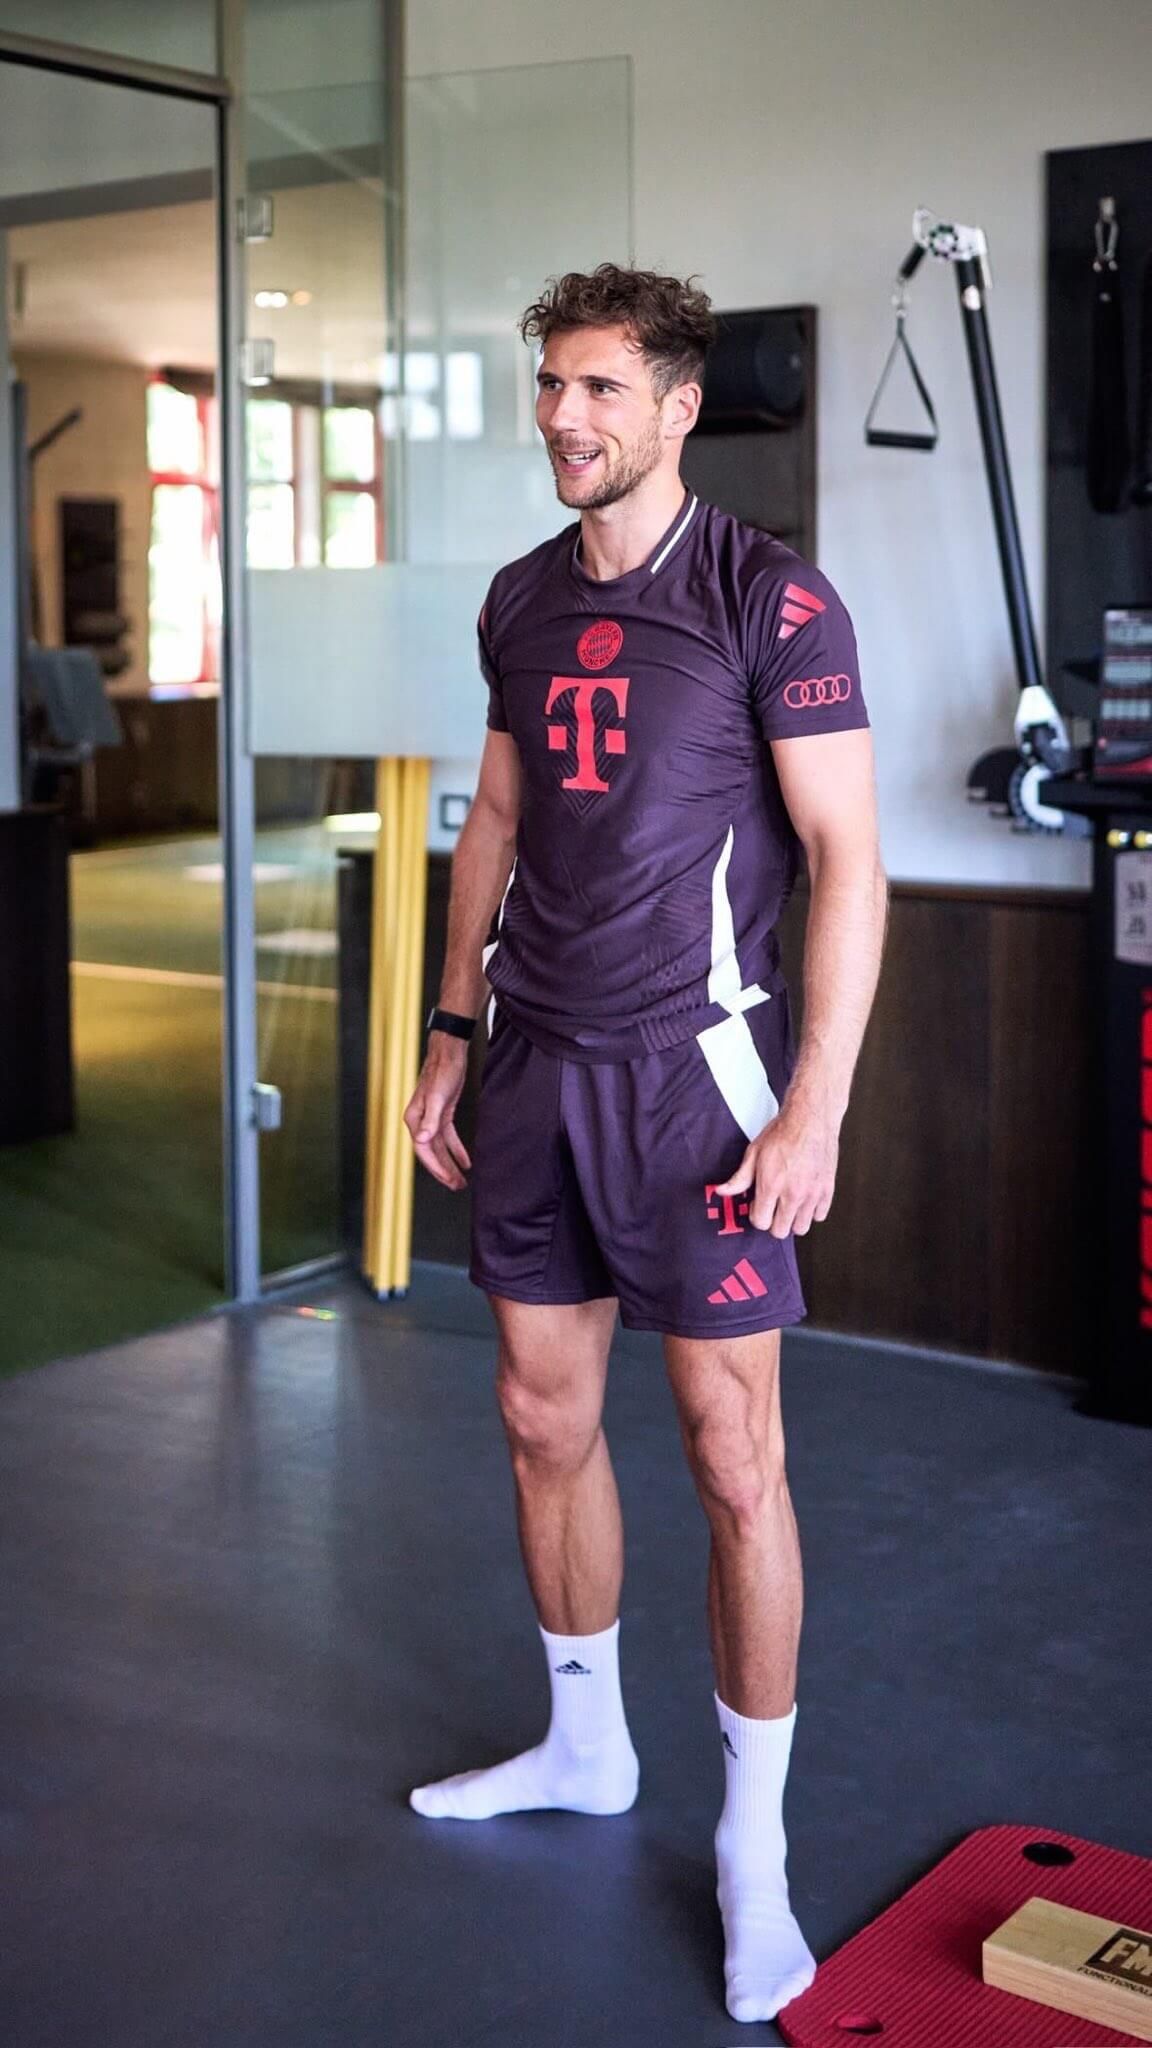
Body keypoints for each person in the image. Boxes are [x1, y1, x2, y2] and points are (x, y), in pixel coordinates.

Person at [403, 263, 887, 2026]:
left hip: (700, 1086)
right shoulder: (522, 601)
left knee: (730, 1450)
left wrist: (817, 1105)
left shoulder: (773, 600)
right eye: (549, 386)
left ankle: (753, 1847)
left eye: (597, 389)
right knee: (543, 1421)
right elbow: (500, 819)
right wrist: (452, 1029)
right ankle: (583, 1744)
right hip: (534, 1071)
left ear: (679, 407)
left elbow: (847, 862)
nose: (561, 416)